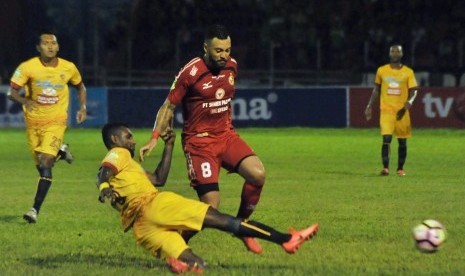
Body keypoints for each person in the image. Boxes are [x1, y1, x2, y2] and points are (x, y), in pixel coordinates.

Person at [97, 123, 319, 274]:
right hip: (155, 205)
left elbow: (158, 178)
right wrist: (104, 186)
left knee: (197, 265)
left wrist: (170, 145)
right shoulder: (119, 154)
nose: (133, 141)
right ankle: (285, 240)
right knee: (223, 221)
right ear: (115, 139)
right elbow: (103, 173)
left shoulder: (129, 168)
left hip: (142, 229)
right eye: (128, 136)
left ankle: (183, 265)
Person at [138, 24, 266, 254]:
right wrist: (154, 138)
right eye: (218, 51)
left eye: (227, 50)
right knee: (209, 208)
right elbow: (168, 106)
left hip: (226, 136)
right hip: (199, 143)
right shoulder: (190, 72)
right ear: (205, 47)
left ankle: (241, 227)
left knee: (258, 174)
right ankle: (173, 246)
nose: (224, 55)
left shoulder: (232, 67)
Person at [7, 30, 87, 223]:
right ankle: (60, 151)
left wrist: (82, 107)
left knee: (45, 163)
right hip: (33, 125)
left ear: (58, 47)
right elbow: (12, 92)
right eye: (45, 43)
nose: (50, 46)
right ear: (38, 47)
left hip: (56, 121)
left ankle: (34, 210)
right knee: (42, 168)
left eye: (53, 43)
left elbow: (80, 86)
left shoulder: (69, 67)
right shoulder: (28, 67)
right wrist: (24, 101)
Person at [365, 44, 418, 176]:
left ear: (401, 54)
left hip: (402, 112)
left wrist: (408, 103)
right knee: (386, 138)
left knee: (402, 141)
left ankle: (400, 168)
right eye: (392, 51)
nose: (395, 53)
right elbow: (376, 89)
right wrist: (369, 105)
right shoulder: (381, 70)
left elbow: (414, 91)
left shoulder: (408, 72)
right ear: (389, 54)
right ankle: (385, 168)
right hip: (386, 111)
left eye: (397, 51)